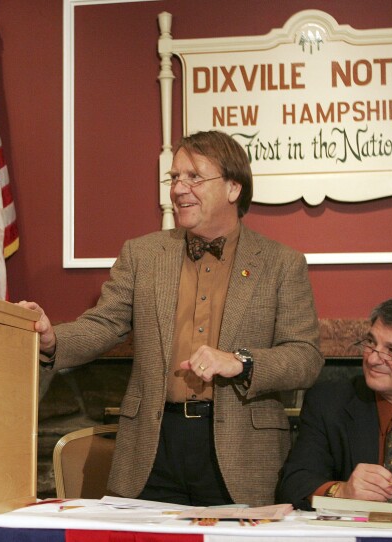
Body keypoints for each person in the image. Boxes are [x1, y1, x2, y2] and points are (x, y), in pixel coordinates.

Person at [20, 130, 323, 507]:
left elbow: (305, 357)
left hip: (242, 454)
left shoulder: (281, 263)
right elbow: (104, 324)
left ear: (233, 188)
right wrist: (53, 341)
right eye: (174, 177)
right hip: (152, 449)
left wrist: (239, 362)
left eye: (194, 176)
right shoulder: (143, 255)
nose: (179, 188)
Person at [277, 297, 392, 512]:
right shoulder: (329, 401)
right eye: (371, 343)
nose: (373, 359)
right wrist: (341, 492)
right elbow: (295, 483)